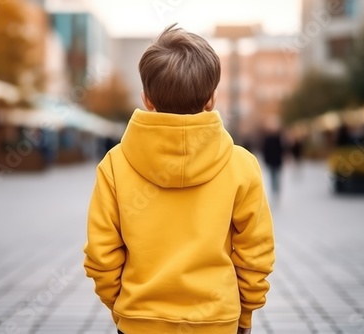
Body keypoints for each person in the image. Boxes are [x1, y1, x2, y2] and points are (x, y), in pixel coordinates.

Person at [84, 24, 275, 334]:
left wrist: (123, 310)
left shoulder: (115, 166)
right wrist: (245, 314)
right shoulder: (242, 165)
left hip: (140, 321)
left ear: (147, 99)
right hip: (216, 321)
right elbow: (256, 252)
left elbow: (101, 254)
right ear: (212, 99)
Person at [262, 131, 284, 200]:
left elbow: (281, 150)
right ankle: (275, 190)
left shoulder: (277, 139)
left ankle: (275, 190)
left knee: (274, 176)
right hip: (274, 161)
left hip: (274, 161)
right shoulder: (274, 139)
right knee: (275, 176)